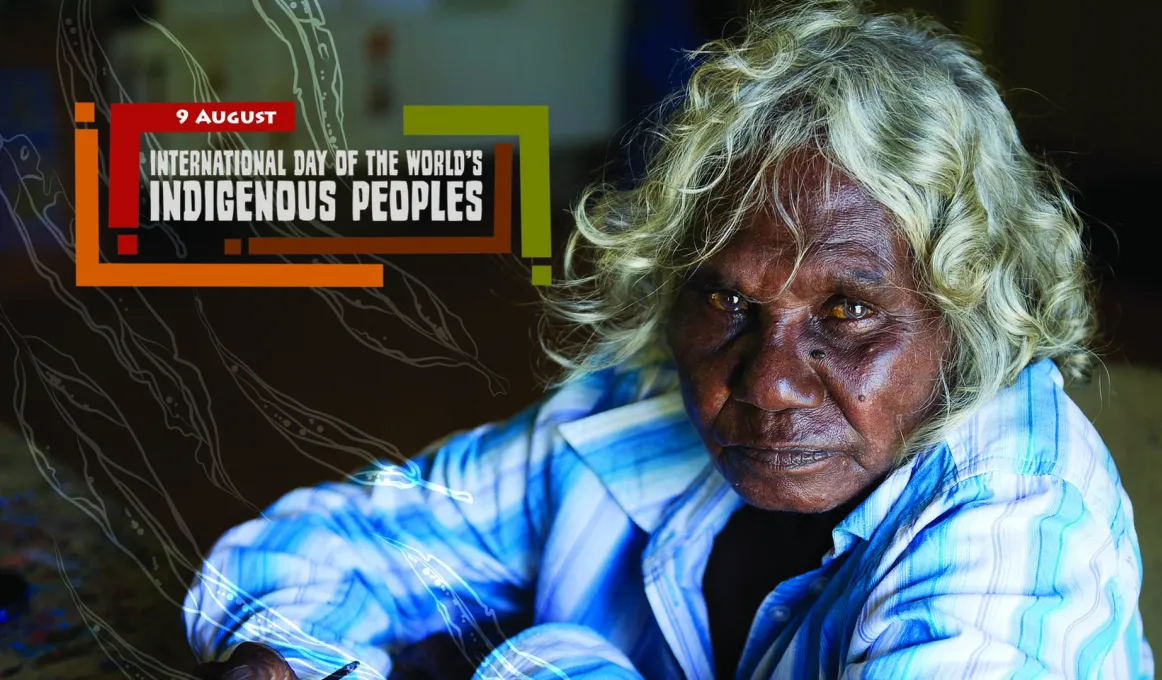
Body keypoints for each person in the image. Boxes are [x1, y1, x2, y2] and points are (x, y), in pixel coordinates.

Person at [184, 1, 1153, 678]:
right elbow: (337, 543)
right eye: (728, 301)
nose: (767, 383)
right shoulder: (640, 405)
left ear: (966, 314)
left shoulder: (1018, 519)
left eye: (848, 311)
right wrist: (276, 654)